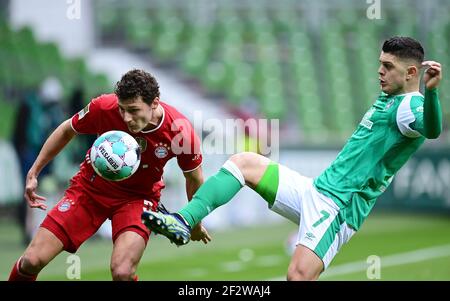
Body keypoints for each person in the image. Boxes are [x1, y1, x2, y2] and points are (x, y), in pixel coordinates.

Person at [141, 36, 443, 280]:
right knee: (243, 162)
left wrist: (431, 94)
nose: (380, 71)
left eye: (388, 66)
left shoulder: (410, 107)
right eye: (380, 63)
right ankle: (183, 220)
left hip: (338, 209)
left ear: (411, 73)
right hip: (315, 190)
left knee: (298, 276)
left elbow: (430, 129)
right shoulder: (390, 98)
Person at [8, 69, 211, 281]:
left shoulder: (180, 130)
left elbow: (195, 179)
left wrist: (194, 223)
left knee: (123, 272)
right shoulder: (104, 107)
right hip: (89, 189)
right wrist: (34, 171)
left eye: (133, 110)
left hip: (137, 199)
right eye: (122, 109)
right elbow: (67, 130)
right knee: (31, 260)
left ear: (154, 103)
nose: (126, 118)